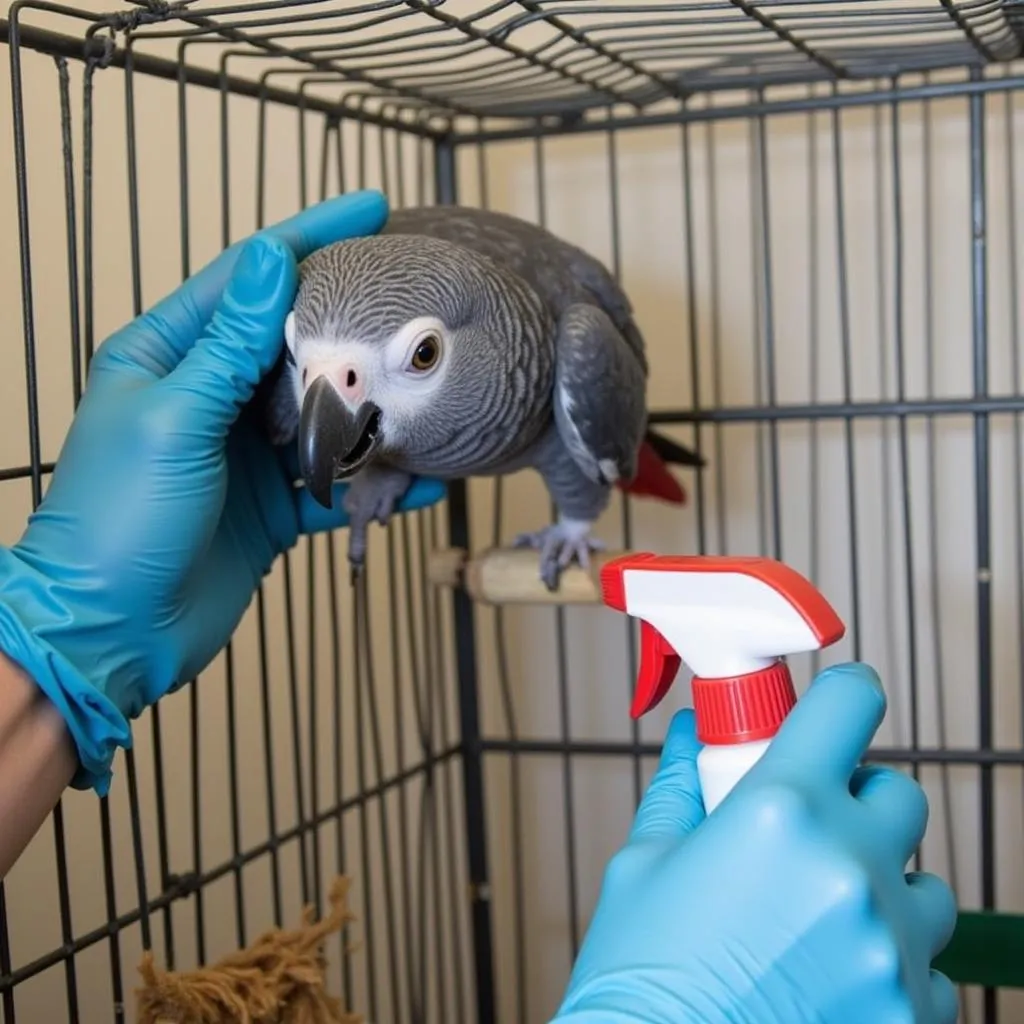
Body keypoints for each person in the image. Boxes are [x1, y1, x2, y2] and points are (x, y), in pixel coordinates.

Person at [0, 190, 957, 1023]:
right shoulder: (323, 366)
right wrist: (65, 640)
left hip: (557, 387)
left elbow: (564, 417)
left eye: (412, 357)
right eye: (308, 363)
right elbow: (337, 377)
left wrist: (54, 654)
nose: (324, 396)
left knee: (577, 456)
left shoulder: (567, 340)